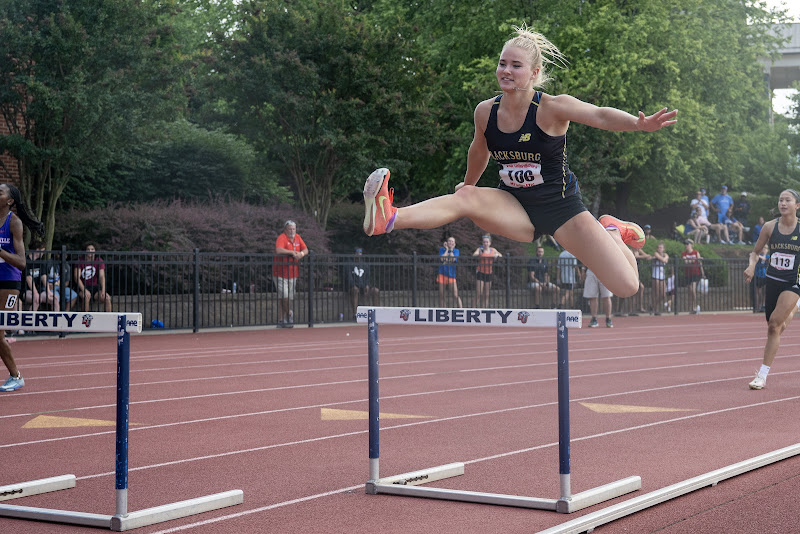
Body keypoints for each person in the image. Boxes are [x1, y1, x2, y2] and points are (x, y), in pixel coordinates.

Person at [361, 25, 677, 301]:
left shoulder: (552, 108)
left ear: (535, 73)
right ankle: (389, 217)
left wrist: (639, 124)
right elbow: (479, 151)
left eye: (516, 65)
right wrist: (467, 188)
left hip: (562, 210)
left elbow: (600, 115)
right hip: (513, 205)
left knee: (627, 287)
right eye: (502, 64)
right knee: (467, 197)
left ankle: (609, 229)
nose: (506, 71)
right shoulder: (485, 111)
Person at [744, 189, 800, 390]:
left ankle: (762, 374)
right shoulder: (769, 227)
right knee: (774, 325)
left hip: (793, 283)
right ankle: (793, 309)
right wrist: (751, 266)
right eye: (780, 200)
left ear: (797, 205)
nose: (783, 203)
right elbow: (755, 252)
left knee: (775, 324)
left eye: (788, 200)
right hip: (772, 280)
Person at [0, 184, 45, 392]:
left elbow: (22, 262)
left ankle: (16, 376)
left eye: (0, 192)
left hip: (8, 283)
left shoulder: (14, 223)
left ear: (9, 201)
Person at [273, 220, 308, 328]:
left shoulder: (297, 237)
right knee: (284, 297)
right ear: (285, 229)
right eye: (290, 229)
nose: (292, 231)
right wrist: (291, 252)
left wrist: (301, 254)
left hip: (293, 273)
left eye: (293, 229)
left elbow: (306, 249)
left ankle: (281, 320)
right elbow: (278, 250)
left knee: (287, 298)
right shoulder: (282, 237)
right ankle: (289, 314)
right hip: (280, 273)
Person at [75, 243, 112, 313]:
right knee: (86, 297)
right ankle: (86, 320)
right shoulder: (80, 261)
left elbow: (102, 276)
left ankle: (109, 319)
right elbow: (77, 277)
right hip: (82, 287)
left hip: (95, 287)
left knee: (107, 298)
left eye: (92, 249)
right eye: (88, 249)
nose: (90, 251)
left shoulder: (99, 260)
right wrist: (84, 290)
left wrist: (103, 290)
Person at [344, 248, 379, 318]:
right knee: (355, 290)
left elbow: (367, 277)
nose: (359, 255)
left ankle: (376, 313)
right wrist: (353, 285)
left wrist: (367, 285)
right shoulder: (349, 264)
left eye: (360, 253)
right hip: (354, 286)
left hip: (363, 285)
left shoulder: (365, 265)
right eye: (357, 253)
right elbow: (349, 277)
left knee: (376, 290)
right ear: (354, 254)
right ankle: (355, 314)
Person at [472, 234, 502, 307]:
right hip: (480, 272)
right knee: (479, 293)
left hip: (489, 273)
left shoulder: (493, 250)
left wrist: (497, 255)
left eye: (487, 242)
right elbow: (474, 255)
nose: (485, 243)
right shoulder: (480, 249)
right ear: (482, 243)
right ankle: (472, 309)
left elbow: (500, 255)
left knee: (487, 294)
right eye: (484, 242)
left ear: (490, 243)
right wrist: (479, 254)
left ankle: (484, 310)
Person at [437, 237, 463, 308]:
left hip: (451, 275)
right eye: (449, 241)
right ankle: (443, 309)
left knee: (455, 295)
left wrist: (451, 250)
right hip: (442, 274)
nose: (450, 243)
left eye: (452, 242)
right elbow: (442, 259)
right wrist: (447, 250)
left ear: (454, 244)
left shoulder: (456, 251)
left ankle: (461, 309)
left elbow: (453, 259)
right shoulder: (442, 249)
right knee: (442, 295)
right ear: (446, 242)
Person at [681, 239, 705, 314]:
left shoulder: (696, 252)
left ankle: (694, 306)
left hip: (695, 273)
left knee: (693, 290)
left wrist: (703, 273)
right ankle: (691, 307)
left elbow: (700, 263)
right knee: (689, 291)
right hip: (688, 274)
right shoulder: (684, 253)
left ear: (691, 245)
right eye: (685, 244)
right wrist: (695, 259)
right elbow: (686, 262)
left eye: (688, 244)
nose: (686, 246)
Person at [650, 242, 669, 315]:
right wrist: (664, 259)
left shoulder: (665, 254)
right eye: (658, 247)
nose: (659, 249)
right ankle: (656, 309)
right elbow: (663, 260)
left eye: (661, 247)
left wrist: (664, 259)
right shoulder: (655, 253)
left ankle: (653, 306)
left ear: (664, 249)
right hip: (655, 275)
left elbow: (666, 259)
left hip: (662, 276)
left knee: (663, 294)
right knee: (656, 293)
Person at [754, 245, 769, 313]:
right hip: (758, 275)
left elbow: (767, 260)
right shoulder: (758, 256)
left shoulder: (768, 256)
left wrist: (760, 256)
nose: (764, 250)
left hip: (765, 276)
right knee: (758, 292)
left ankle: (763, 305)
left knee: (765, 292)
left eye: (765, 248)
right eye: (763, 248)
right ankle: (757, 306)